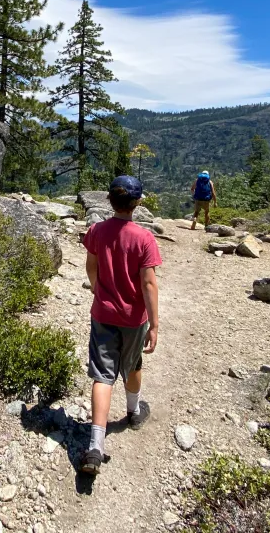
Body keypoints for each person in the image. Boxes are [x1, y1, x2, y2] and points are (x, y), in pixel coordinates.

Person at [80, 175, 162, 475]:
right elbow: (149, 283)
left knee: (102, 376)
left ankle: (95, 446)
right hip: (133, 317)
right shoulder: (144, 238)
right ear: (137, 203)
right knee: (133, 365)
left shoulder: (97, 231)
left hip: (103, 313)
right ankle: (133, 411)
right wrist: (154, 324)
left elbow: (91, 265)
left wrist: (96, 287)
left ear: (108, 200)